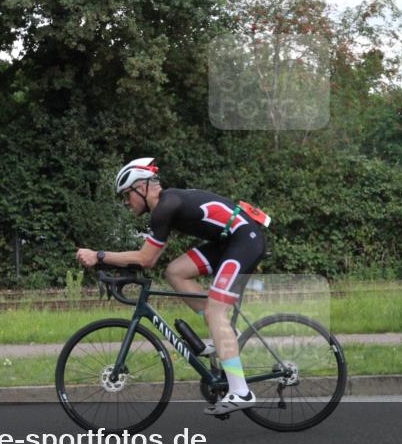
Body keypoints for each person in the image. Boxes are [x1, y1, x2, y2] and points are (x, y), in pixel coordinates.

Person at [75, 157, 268, 415]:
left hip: (244, 240)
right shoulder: (165, 206)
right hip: (226, 242)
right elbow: (151, 261)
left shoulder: (166, 206)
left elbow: (146, 259)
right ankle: (221, 332)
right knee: (175, 272)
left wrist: (99, 256)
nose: (125, 202)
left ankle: (240, 390)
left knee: (215, 311)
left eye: (125, 195)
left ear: (141, 188)